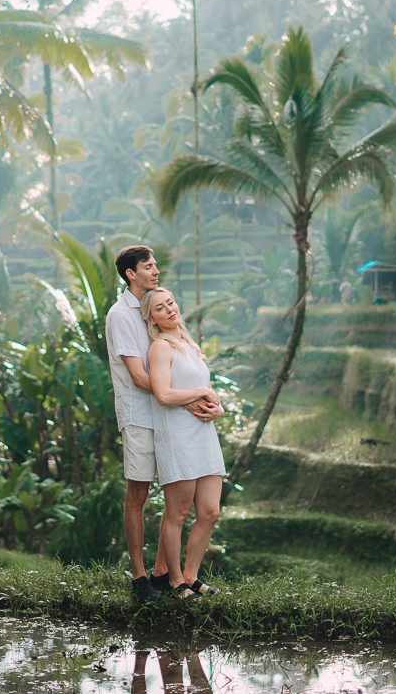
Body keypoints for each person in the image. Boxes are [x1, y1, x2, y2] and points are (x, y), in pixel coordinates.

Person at [105, 246, 221, 603]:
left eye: (155, 265)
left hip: (172, 415)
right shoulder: (121, 316)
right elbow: (142, 378)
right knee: (138, 493)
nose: (156, 270)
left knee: (177, 501)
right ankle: (140, 575)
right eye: (148, 266)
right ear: (130, 274)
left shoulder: (158, 308)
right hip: (141, 414)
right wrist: (184, 395)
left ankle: (165, 573)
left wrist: (198, 401)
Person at [141, 286, 225, 598]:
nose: (169, 310)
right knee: (177, 512)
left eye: (171, 303)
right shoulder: (161, 348)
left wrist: (217, 406)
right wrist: (200, 394)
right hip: (177, 435)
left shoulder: (188, 344)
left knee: (209, 511)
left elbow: (205, 388)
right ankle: (174, 580)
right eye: (160, 308)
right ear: (152, 318)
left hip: (204, 435)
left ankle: (191, 576)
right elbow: (163, 395)